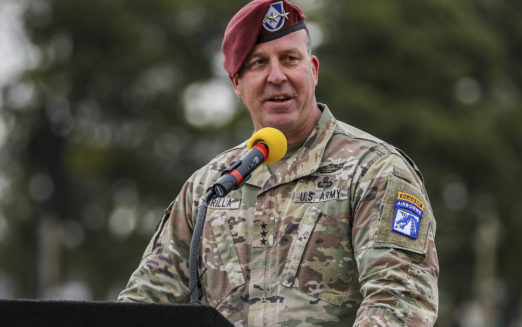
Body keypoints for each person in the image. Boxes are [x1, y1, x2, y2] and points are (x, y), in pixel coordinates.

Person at [118, 0, 439, 326]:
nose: (276, 76)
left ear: (312, 70)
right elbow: (142, 305)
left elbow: (400, 301)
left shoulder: (375, 170)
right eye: (258, 64)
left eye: (289, 59)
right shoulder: (209, 188)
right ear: (236, 83)